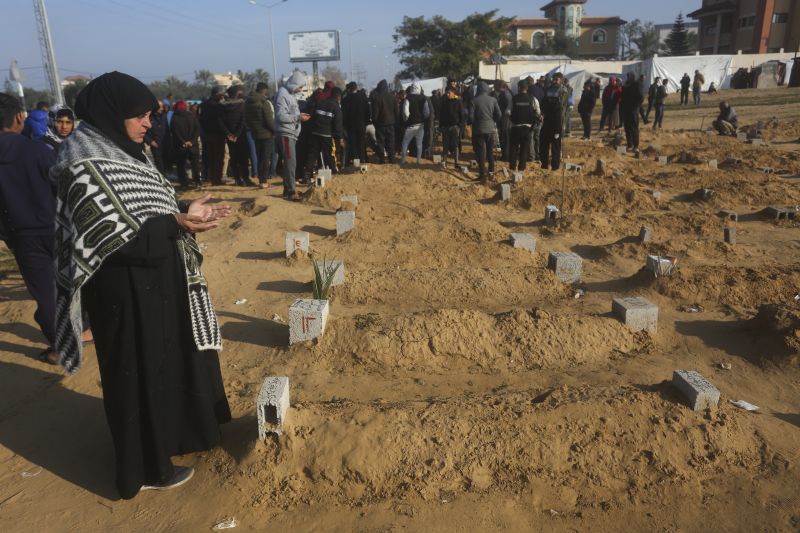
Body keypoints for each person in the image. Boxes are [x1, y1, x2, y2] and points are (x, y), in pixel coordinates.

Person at [51, 71, 232, 499]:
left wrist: (184, 210)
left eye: (150, 114)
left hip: (157, 281)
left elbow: (147, 206)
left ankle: (175, 438)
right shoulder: (83, 161)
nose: (148, 123)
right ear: (113, 114)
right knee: (137, 375)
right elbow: (106, 234)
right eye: (139, 115)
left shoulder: (128, 150)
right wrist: (174, 223)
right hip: (123, 293)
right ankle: (147, 467)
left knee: (166, 364)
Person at [0, 93, 60, 364]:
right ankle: (87, 330)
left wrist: (7, 235)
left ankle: (60, 347)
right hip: (58, 227)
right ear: (19, 117)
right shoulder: (37, 149)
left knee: (45, 292)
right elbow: (63, 187)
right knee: (73, 282)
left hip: (22, 236)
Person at [275, 71, 310, 201]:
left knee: (291, 162)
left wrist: (299, 118)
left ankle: (287, 189)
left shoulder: (289, 94)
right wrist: (298, 117)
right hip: (285, 133)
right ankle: (291, 191)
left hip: (291, 133)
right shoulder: (282, 95)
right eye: (300, 86)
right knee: (290, 162)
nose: (300, 90)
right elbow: (280, 116)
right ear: (294, 83)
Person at [303, 87, 344, 180]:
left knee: (313, 153)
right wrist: (339, 138)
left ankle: (306, 175)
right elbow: (338, 125)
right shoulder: (336, 108)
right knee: (330, 154)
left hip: (315, 132)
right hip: (327, 134)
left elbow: (312, 117)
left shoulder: (320, 102)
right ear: (338, 97)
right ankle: (334, 172)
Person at [244, 82, 275, 189]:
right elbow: (269, 121)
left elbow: (246, 119)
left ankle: (260, 179)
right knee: (266, 158)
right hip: (267, 134)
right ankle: (263, 181)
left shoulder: (247, 103)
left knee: (259, 157)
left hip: (255, 133)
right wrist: (275, 131)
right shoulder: (264, 103)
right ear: (264, 90)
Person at [470, 81, 501, 183]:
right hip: (491, 129)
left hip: (478, 130)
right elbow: (499, 114)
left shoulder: (474, 101)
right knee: (490, 152)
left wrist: (473, 123)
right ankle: (491, 173)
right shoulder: (493, 100)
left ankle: (482, 175)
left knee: (481, 153)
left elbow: (471, 117)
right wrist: (493, 121)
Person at [220, 85, 251, 187]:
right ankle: (246, 179)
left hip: (229, 136)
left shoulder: (222, 106)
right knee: (243, 158)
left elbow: (220, 122)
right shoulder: (242, 105)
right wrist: (237, 134)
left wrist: (228, 134)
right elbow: (243, 121)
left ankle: (237, 179)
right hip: (241, 135)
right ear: (237, 93)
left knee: (234, 158)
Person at [508, 80, 540, 172]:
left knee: (513, 148)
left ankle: (512, 167)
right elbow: (538, 112)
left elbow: (508, 112)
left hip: (515, 127)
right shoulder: (533, 99)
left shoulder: (514, 98)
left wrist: (512, 118)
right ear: (527, 88)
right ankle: (521, 168)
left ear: (519, 87)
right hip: (527, 128)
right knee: (524, 149)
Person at [170, 100, 202, 188]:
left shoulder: (174, 118)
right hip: (193, 145)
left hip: (181, 146)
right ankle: (197, 182)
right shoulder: (192, 116)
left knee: (181, 165)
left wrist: (183, 142)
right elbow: (197, 129)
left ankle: (184, 183)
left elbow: (174, 132)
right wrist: (191, 141)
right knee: (195, 164)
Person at [539, 73, 567, 171]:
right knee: (543, 142)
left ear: (561, 80)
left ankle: (555, 166)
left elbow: (564, 106)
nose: (554, 81)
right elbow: (543, 103)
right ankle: (544, 164)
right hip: (547, 121)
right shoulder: (548, 90)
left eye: (556, 80)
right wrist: (542, 113)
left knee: (555, 145)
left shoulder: (564, 91)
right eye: (553, 79)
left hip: (557, 121)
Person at [199, 87, 226, 185]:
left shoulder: (203, 105)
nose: (223, 96)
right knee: (218, 158)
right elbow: (222, 122)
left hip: (206, 135)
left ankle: (209, 177)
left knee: (209, 158)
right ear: (217, 95)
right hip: (218, 135)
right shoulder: (219, 106)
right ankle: (216, 179)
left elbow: (200, 119)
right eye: (221, 95)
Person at [400, 83, 430, 165]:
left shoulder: (408, 98)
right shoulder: (424, 98)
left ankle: (403, 160)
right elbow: (427, 112)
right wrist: (423, 118)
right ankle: (418, 161)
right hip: (420, 125)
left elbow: (405, 112)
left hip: (410, 125)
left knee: (405, 142)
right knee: (419, 144)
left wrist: (406, 120)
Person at [342, 82, 369, 165]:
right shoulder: (363, 98)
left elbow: (344, 113)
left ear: (349, 89)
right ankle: (363, 159)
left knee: (353, 142)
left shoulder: (346, 99)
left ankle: (355, 159)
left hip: (351, 125)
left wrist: (345, 124)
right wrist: (366, 122)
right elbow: (368, 111)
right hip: (361, 124)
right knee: (361, 142)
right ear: (356, 88)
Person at [438, 81, 463, 169]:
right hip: (445, 127)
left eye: (449, 92)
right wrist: (440, 126)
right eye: (447, 92)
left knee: (455, 145)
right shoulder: (444, 102)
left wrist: (460, 126)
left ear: (453, 93)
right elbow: (441, 115)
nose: (447, 94)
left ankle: (456, 162)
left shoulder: (458, 102)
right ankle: (444, 162)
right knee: (445, 145)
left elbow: (461, 115)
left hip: (455, 127)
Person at [371, 80, 397, 164]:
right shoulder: (392, 97)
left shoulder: (377, 98)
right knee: (391, 141)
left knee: (380, 142)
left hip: (380, 124)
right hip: (391, 124)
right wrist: (396, 122)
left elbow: (375, 114)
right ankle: (392, 159)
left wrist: (375, 123)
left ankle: (382, 159)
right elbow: (397, 111)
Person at [620, 72, 643, 154]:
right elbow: (622, 98)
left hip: (633, 111)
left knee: (634, 129)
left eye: (629, 76)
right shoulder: (626, 85)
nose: (628, 77)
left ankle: (636, 146)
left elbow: (640, 97)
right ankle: (630, 145)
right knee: (627, 128)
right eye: (627, 76)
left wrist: (636, 107)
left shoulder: (636, 84)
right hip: (626, 110)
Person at [144, 102, 169, 176]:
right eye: (159, 107)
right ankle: (162, 178)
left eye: (162, 107)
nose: (161, 108)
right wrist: (151, 141)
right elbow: (144, 133)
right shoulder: (149, 117)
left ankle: (166, 176)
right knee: (159, 163)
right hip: (156, 144)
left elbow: (167, 129)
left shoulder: (164, 116)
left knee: (166, 162)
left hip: (165, 143)